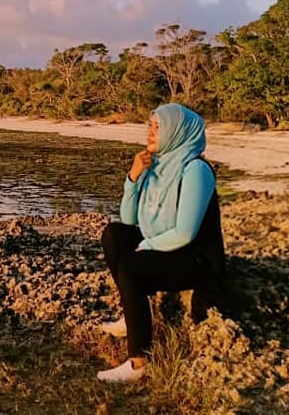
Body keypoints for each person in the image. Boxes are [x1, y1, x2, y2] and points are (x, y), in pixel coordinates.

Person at [96, 103, 226, 383]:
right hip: (168, 245)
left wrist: (148, 245)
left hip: (196, 259)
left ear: (177, 132)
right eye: (150, 126)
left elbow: (185, 233)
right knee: (114, 235)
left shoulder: (195, 170)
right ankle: (133, 319)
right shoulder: (157, 166)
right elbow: (129, 219)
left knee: (131, 263)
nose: (150, 132)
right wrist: (133, 177)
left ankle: (138, 362)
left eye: (158, 127)